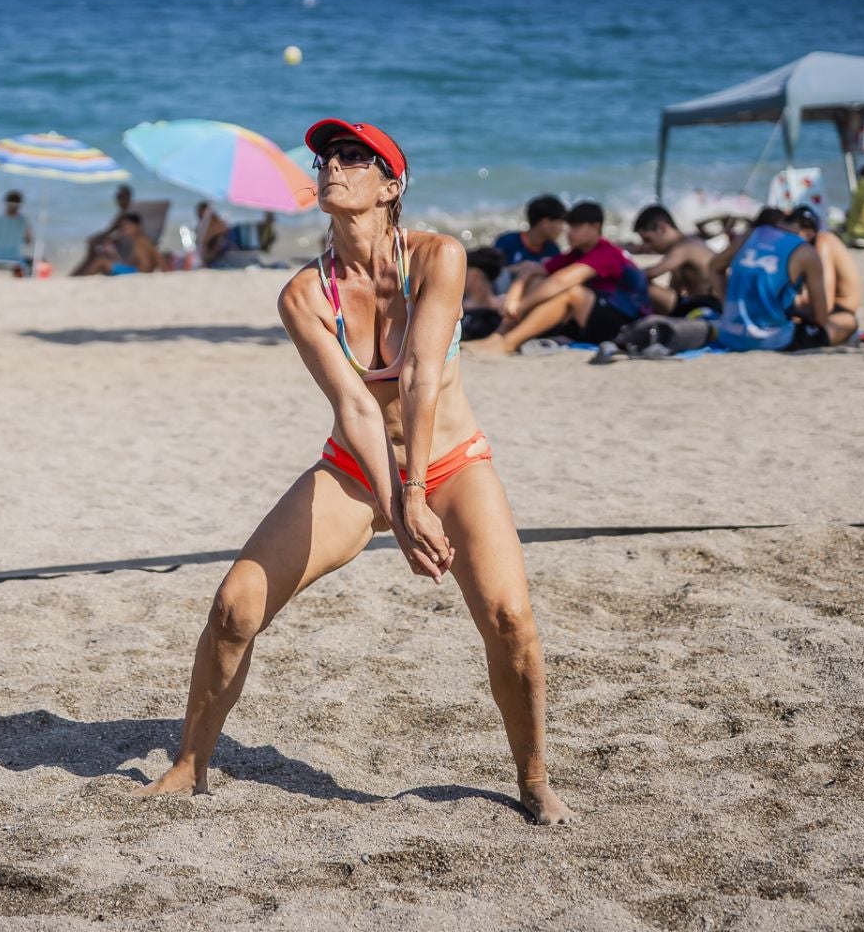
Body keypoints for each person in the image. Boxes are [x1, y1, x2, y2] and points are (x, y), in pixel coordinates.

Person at [135, 118, 571, 825]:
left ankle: (532, 777)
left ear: (390, 184)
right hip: (353, 470)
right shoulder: (304, 294)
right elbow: (357, 408)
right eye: (325, 157)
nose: (331, 165)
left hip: (451, 464)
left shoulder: (439, 257)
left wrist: (417, 492)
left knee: (509, 619)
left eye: (351, 156)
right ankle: (189, 765)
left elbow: (425, 376)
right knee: (234, 606)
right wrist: (398, 503)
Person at [466, 200, 649, 355]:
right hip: (593, 316)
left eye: (576, 227)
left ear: (595, 227)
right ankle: (500, 335)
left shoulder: (607, 252)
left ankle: (507, 344)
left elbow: (562, 280)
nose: (568, 233)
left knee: (570, 292)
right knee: (539, 281)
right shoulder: (577, 252)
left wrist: (520, 306)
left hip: (626, 323)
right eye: (569, 227)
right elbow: (533, 270)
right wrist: (513, 296)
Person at [717, 209, 830, 352]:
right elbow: (821, 319)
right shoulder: (804, 250)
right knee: (846, 323)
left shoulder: (752, 234)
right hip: (771, 340)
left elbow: (714, 268)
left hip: (728, 334)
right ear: (810, 234)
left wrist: (726, 305)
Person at [780, 206, 860, 345]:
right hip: (830, 308)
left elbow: (826, 300)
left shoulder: (823, 242)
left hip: (839, 310)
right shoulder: (809, 246)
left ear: (810, 233)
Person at [632, 205, 719, 315]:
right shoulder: (684, 246)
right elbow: (675, 289)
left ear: (662, 228)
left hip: (708, 306)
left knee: (644, 285)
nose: (647, 246)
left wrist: (621, 272)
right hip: (704, 303)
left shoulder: (685, 247)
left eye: (648, 240)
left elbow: (650, 273)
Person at [490, 195, 567, 281]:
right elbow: (488, 272)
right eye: (560, 222)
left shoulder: (553, 249)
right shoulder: (507, 241)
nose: (562, 229)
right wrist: (518, 268)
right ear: (545, 223)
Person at [72, 185, 136, 275]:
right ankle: (79, 274)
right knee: (95, 247)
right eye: (117, 197)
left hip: (123, 253)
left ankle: (79, 274)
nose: (118, 200)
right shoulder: (129, 214)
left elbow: (127, 235)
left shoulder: (128, 216)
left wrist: (105, 240)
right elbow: (110, 232)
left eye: (121, 197)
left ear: (128, 198)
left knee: (94, 252)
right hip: (121, 248)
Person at [77, 212, 164, 275]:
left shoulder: (142, 241)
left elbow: (157, 257)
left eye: (128, 225)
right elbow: (131, 262)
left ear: (137, 226)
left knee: (100, 262)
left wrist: (167, 271)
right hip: (134, 271)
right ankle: (81, 278)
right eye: (122, 226)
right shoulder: (135, 240)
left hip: (137, 273)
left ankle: (82, 280)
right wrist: (113, 254)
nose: (124, 228)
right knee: (101, 259)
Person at [193, 201, 230, 267]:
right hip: (211, 252)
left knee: (218, 240)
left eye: (199, 211)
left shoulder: (213, 222)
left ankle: (206, 261)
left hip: (217, 251)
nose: (198, 213)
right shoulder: (203, 225)